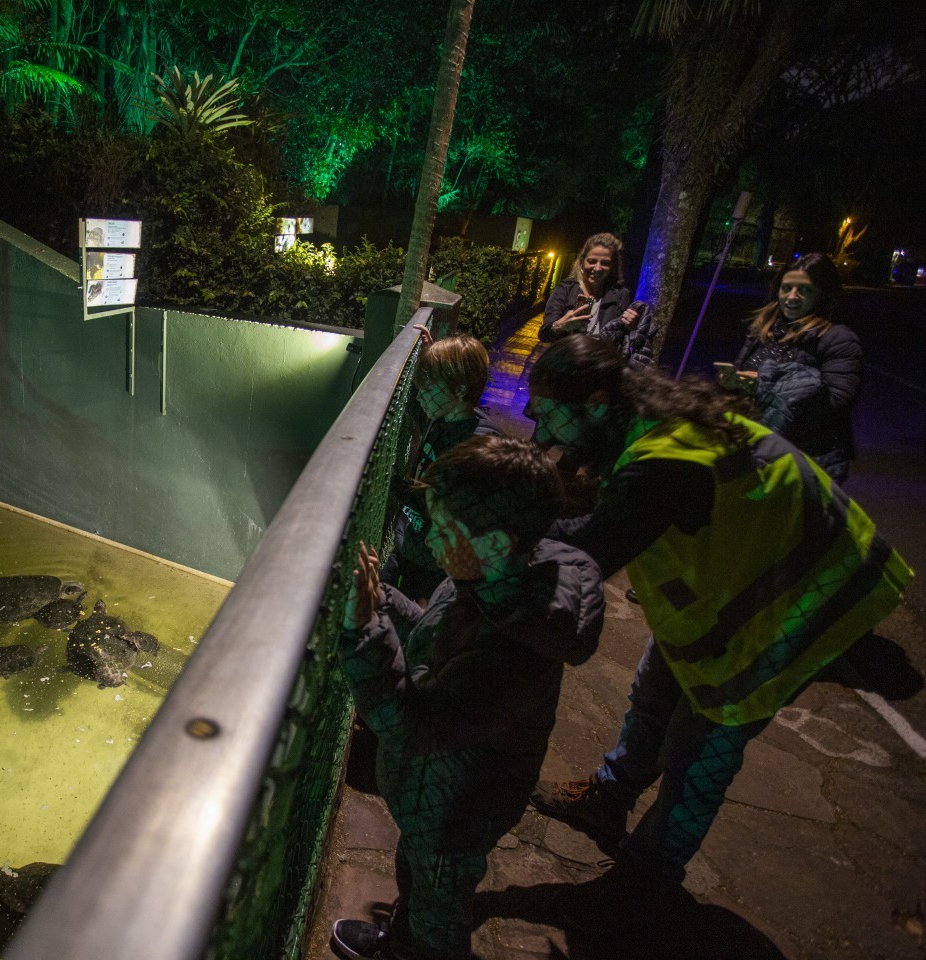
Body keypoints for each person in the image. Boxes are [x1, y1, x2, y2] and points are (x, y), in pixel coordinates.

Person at [522, 335, 911, 902]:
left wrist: (506, 519)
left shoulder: (659, 463)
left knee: (700, 748)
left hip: (803, 593)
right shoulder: (647, 423)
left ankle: (650, 875)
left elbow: (590, 552)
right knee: (655, 690)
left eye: (550, 413)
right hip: (742, 585)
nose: (542, 427)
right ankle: (610, 796)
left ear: (599, 404)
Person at [331, 436, 605, 959]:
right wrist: (386, 601)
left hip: (457, 810)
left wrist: (365, 631)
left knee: (441, 914)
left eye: (445, 528)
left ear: (499, 543)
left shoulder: (515, 653)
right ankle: (401, 945)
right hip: (437, 799)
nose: (431, 538)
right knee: (416, 874)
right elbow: (435, 640)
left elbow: (412, 725)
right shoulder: (490, 585)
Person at [719, 252, 861, 483]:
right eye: (786, 288)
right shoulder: (764, 329)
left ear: (822, 295)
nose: (791, 297)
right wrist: (733, 383)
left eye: (804, 290)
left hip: (809, 457)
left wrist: (766, 384)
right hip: (759, 448)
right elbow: (741, 372)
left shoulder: (837, 338)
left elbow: (838, 400)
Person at [380, 334, 499, 604]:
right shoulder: (442, 415)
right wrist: (423, 357)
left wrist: (393, 484)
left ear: (458, 390)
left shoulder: (476, 447)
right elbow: (413, 401)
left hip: (436, 559)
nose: (421, 395)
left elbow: (444, 504)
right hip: (410, 541)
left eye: (429, 388)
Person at [539, 232, 656, 365]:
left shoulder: (620, 295)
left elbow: (622, 339)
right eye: (592, 261)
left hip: (600, 369)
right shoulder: (565, 289)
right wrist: (559, 325)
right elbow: (544, 335)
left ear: (612, 266)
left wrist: (631, 326)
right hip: (565, 365)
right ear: (582, 260)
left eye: (605, 263)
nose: (598, 268)